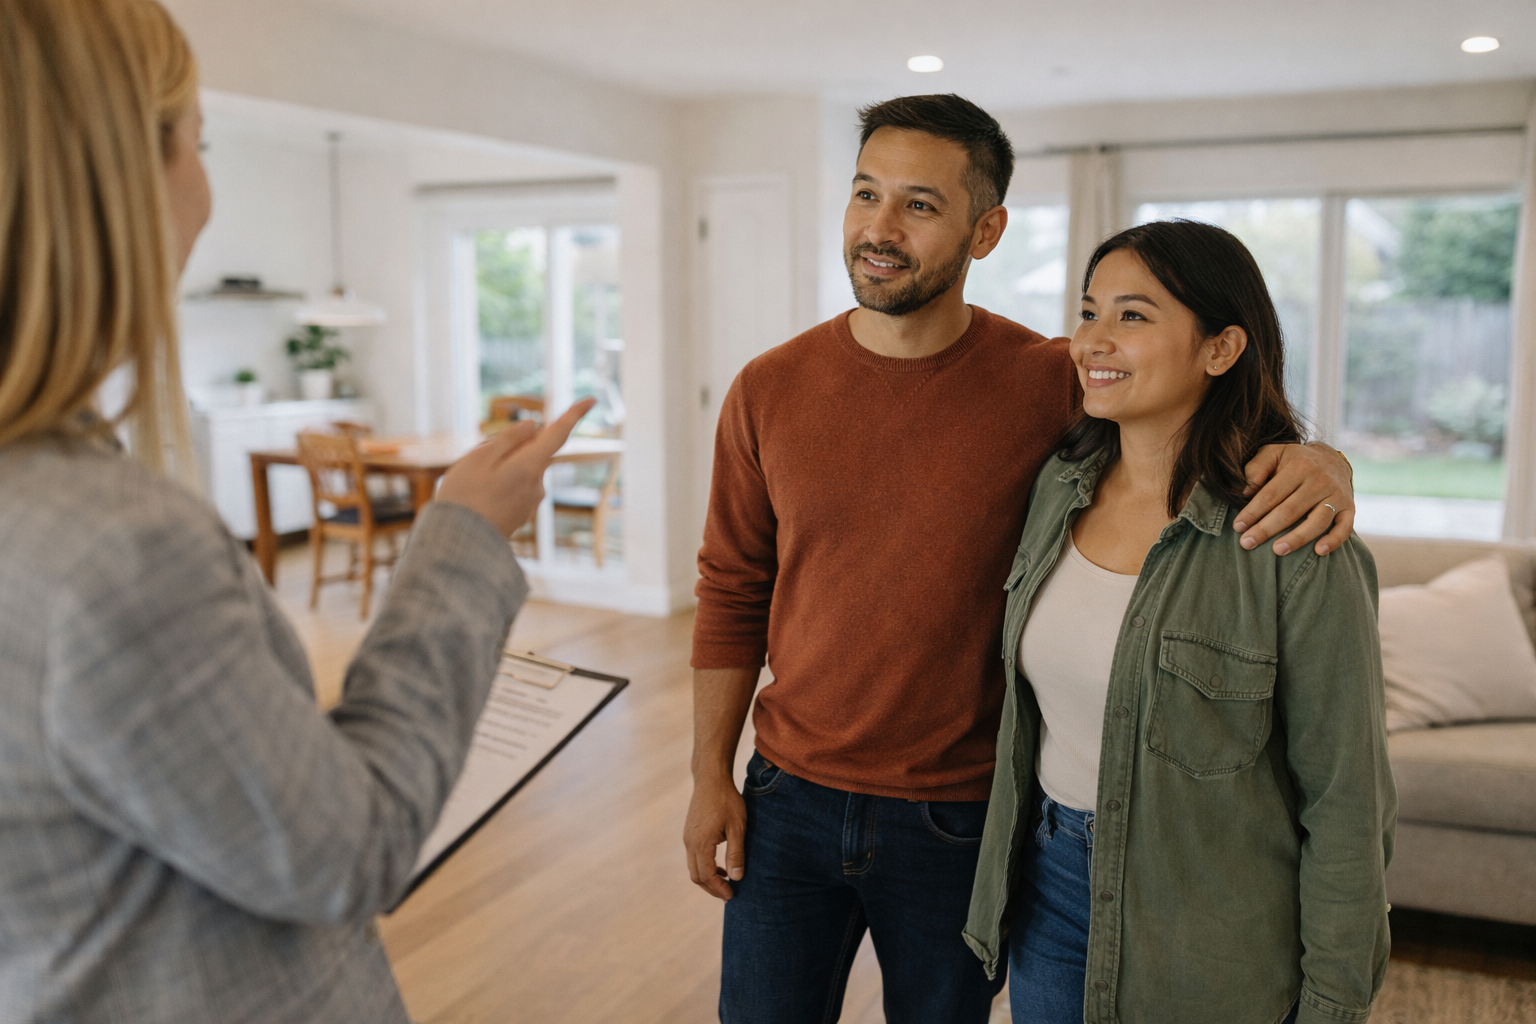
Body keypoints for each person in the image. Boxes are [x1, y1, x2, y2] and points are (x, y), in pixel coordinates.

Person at [684, 93, 1359, 1024]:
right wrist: (708, 775)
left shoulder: (1054, 381)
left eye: (920, 204)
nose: (880, 228)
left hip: (962, 816)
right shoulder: (767, 387)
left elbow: (1190, 413)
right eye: (866, 193)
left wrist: (1322, 459)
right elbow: (731, 589)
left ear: (986, 231)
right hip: (786, 794)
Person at [0, 1, 592, 1020]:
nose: (206, 191)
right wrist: (465, 534)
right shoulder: (115, 548)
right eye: (198, 143)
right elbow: (348, 850)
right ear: (116, 176)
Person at [963, 220, 1395, 1024]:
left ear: (1222, 348)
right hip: (1050, 890)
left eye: (1132, 315)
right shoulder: (1057, 487)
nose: (1094, 340)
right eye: (1088, 311)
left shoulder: (1295, 545)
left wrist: (1334, 1001)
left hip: (1210, 927)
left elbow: (1348, 803)